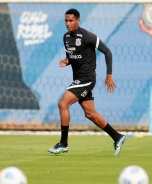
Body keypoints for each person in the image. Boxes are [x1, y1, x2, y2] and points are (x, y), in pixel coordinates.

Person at [47, 8, 125, 156]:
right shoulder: (66, 38)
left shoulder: (87, 36)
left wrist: (109, 75)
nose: (68, 24)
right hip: (78, 79)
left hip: (86, 79)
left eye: (71, 21)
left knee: (62, 104)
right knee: (90, 113)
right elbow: (75, 55)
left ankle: (63, 144)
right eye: (66, 21)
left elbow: (107, 52)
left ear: (77, 20)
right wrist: (68, 61)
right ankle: (117, 137)